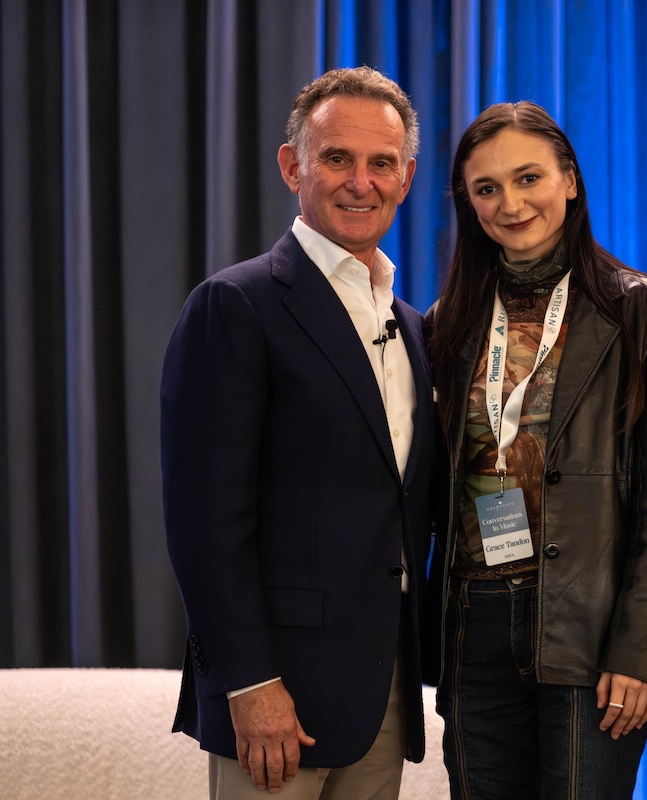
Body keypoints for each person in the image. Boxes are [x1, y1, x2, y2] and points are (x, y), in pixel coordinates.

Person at [161, 66, 437, 800]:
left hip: (383, 692)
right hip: (275, 699)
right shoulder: (236, 305)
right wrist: (248, 683)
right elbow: (203, 523)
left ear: (406, 178)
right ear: (293, 167)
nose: (361, 182)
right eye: (337, 158)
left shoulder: (412, 326)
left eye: (382, 163)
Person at [425, 101, 647, 800]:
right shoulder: (444, 325)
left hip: (589, 626)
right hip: (472, 625)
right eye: (486, 189)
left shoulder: (646, 312)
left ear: (569, 181)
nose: (509, 204)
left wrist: (640, 651)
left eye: (528, 178)